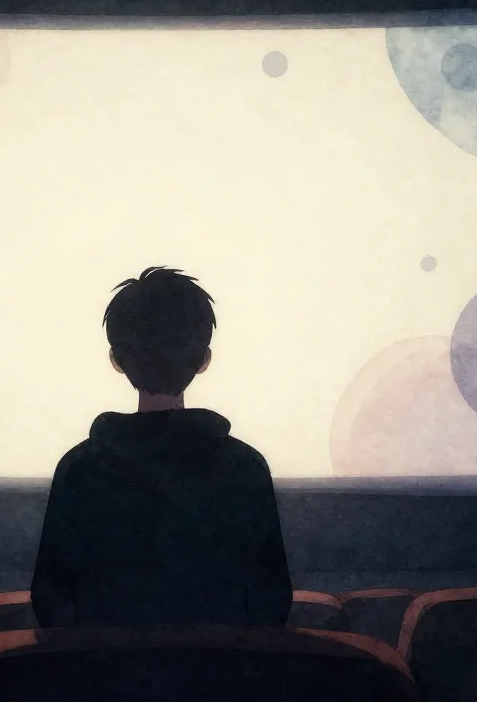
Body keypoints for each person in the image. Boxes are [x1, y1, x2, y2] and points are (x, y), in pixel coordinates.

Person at [30, 266, 292, 629]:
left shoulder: (79, 468)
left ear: (116, 360)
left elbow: (50, 599)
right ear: (204, 359)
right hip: (220, 664)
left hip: (104, 664)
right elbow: (271, 599)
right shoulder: (244, 466)